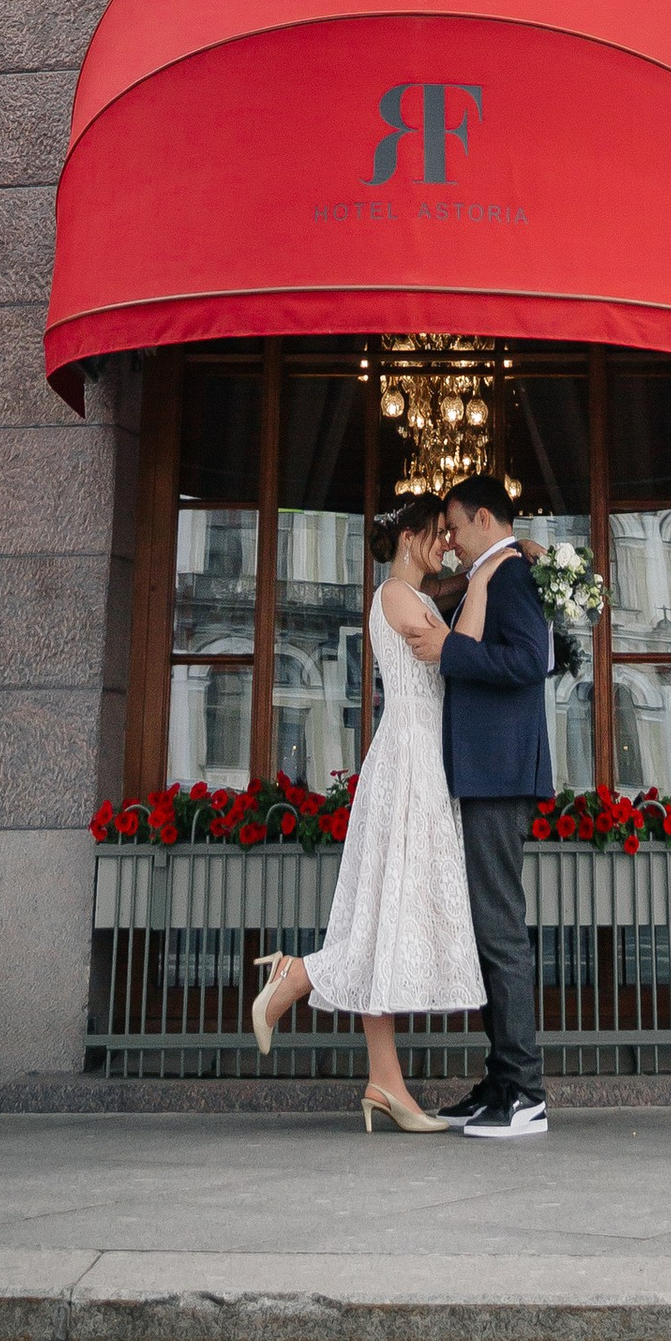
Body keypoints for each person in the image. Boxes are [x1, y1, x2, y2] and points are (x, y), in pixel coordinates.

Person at [249, 492, 483, 1133]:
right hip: (410, 762)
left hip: (410, 757)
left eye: (447, 535)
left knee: (388, 920)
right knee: (391, 917)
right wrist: (491, 569)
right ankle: (297, 976)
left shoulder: (403, 596)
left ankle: (385, 1080)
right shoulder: (402, 599)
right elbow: (459, 648)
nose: (443, 545)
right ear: (409, 537)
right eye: (436, 534)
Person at [435, 469, 555, 1141]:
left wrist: (454, 651)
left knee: (502, 933)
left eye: (453, 527)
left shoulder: (507, 576)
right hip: (489, 774)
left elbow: (529, 660)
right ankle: (504, 1081)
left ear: (484, 518)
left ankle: (526, 1091)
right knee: (491, 932)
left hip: (499, 777)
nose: (449, 541)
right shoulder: (501, 571)